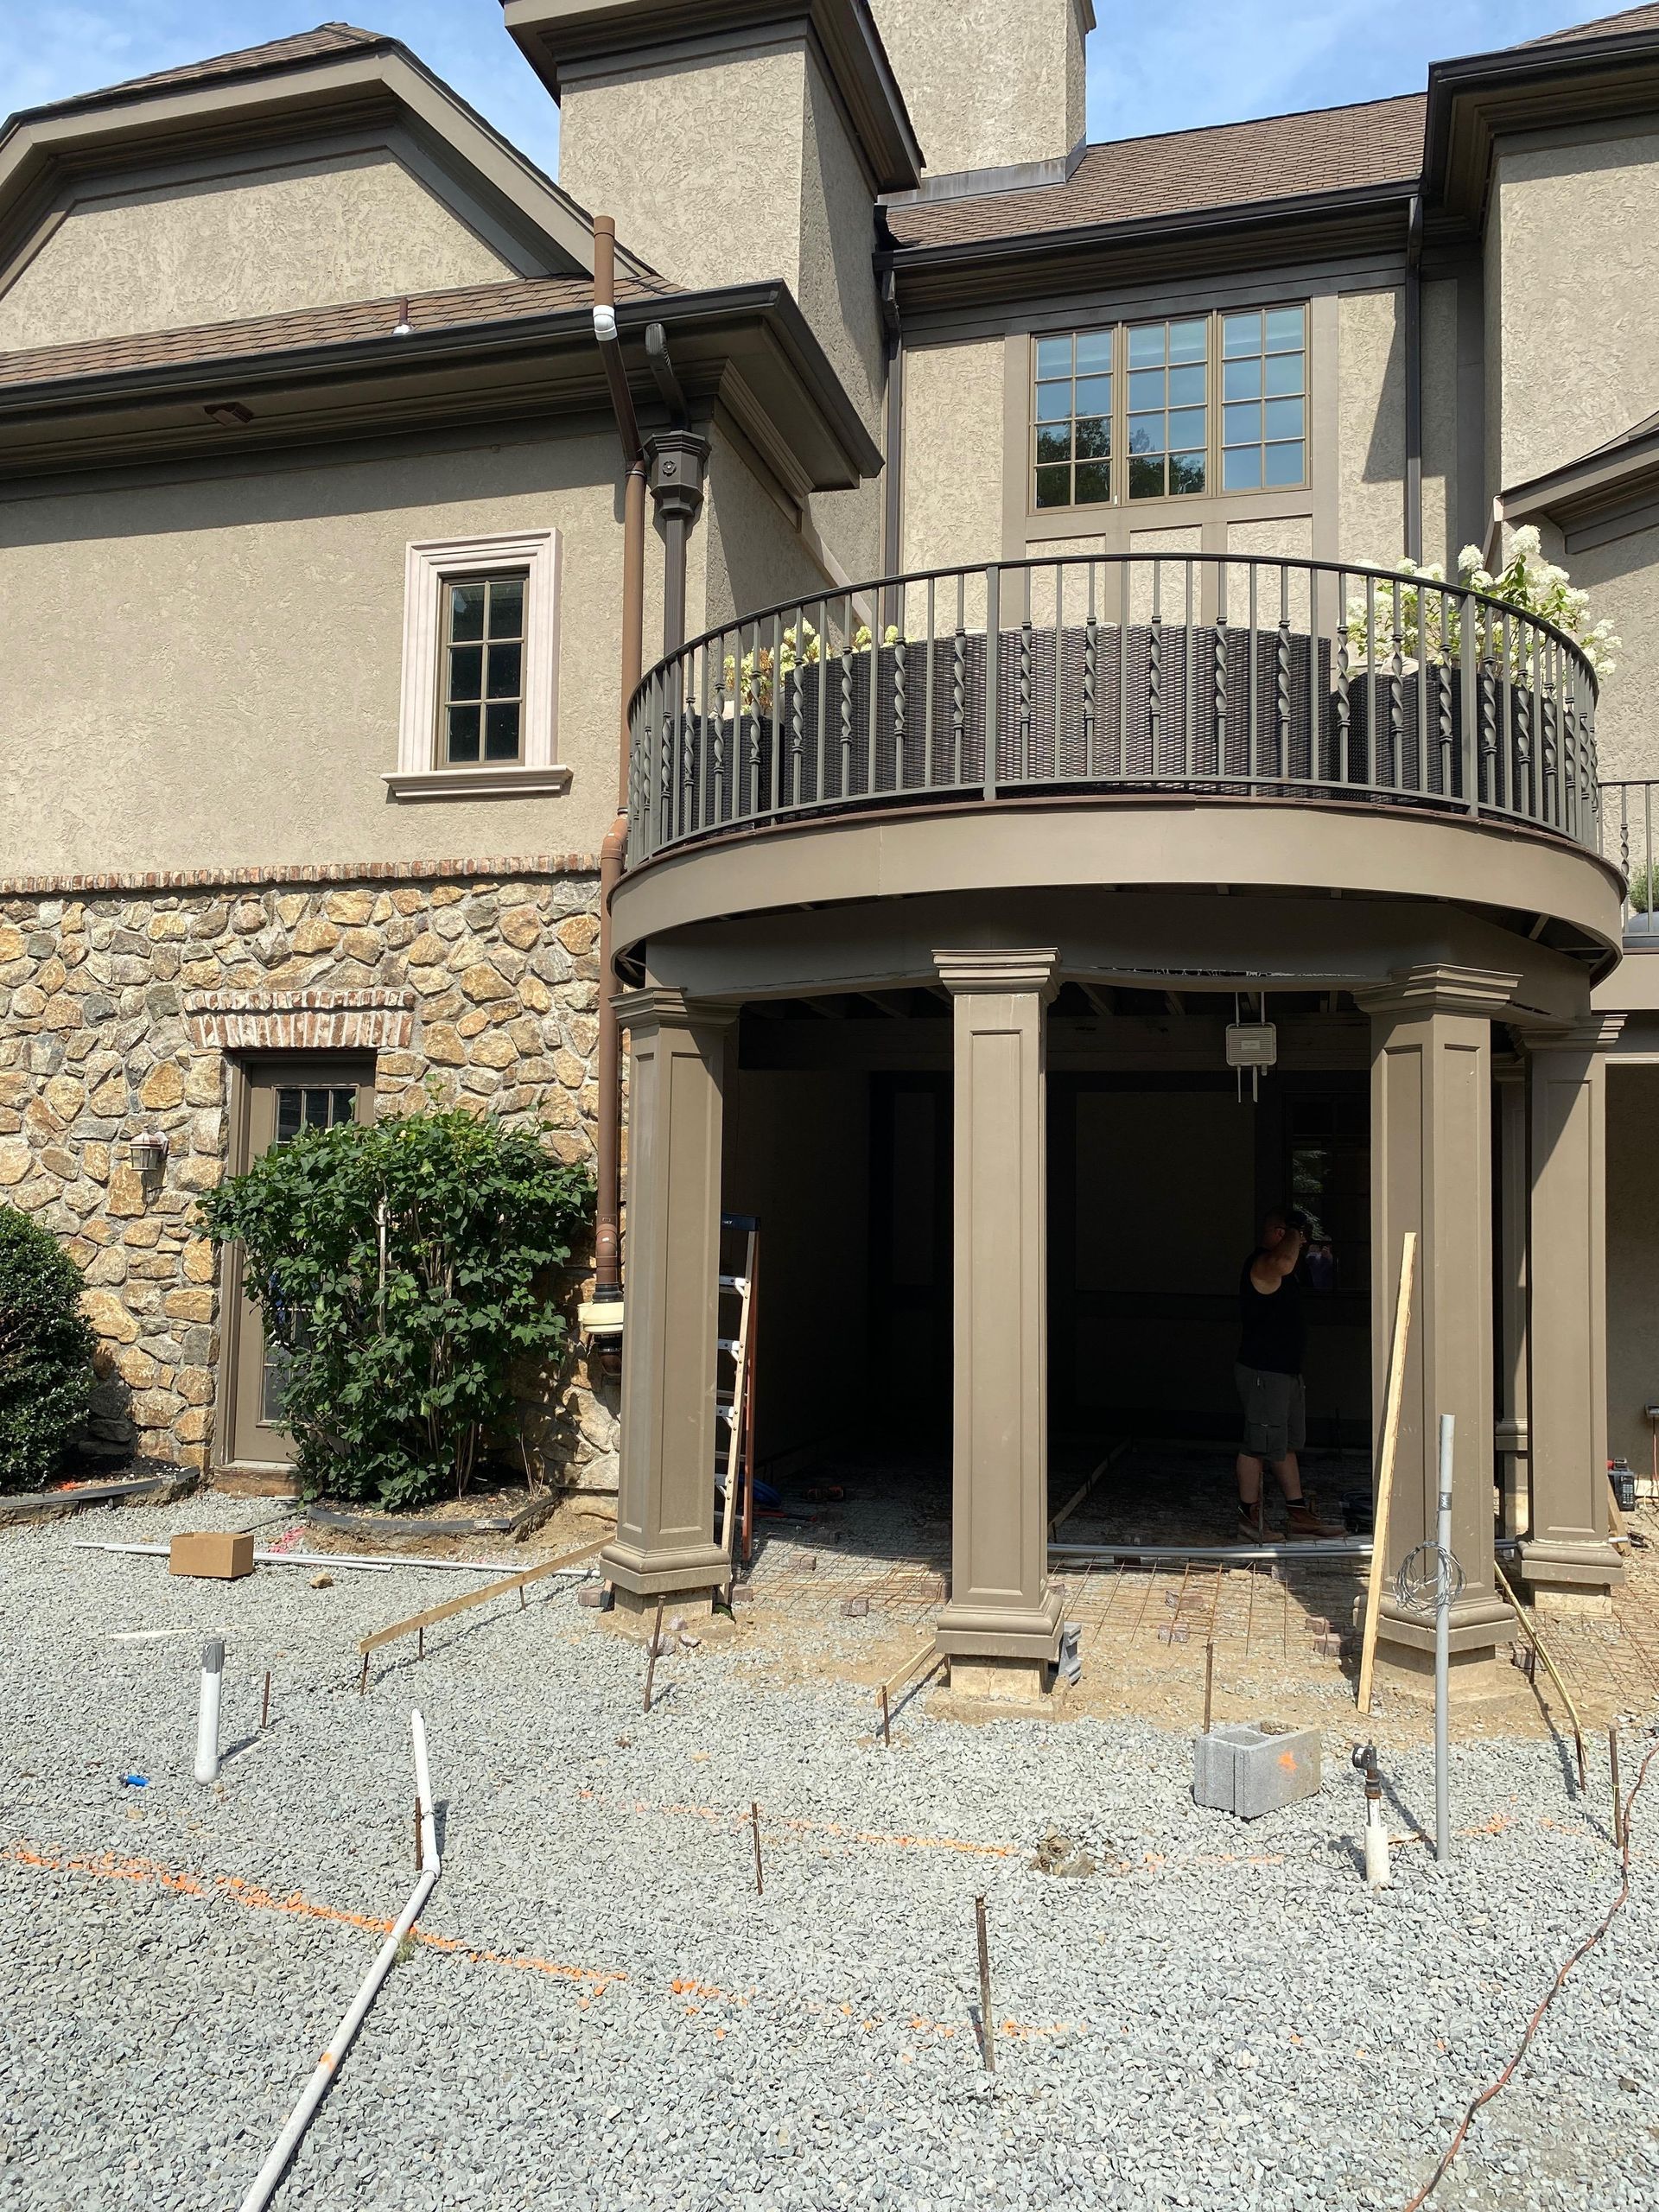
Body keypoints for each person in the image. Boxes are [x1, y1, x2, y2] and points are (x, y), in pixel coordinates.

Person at [1235, 1210, 1341, 1540]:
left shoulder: (1292, 1270)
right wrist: (1294, 1230)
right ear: (1271, 1233)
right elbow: (1283, 1262)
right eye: (1282, 1231)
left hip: (1287, 1372)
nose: (1293, 1239)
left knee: (1285, 1445)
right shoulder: (1263, 1263)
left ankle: (1298, 1515)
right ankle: (1249, 1521)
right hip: (1263, 1371)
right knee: (1257, 1444)